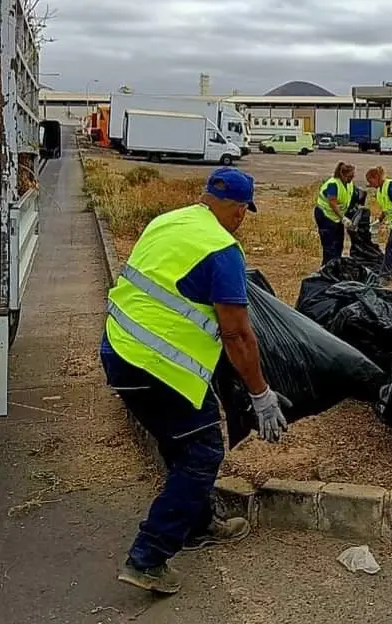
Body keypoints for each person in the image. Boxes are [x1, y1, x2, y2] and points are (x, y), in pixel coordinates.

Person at [100, 166, 291, 595]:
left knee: (181, 443)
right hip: (159, 367)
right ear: (239, 209)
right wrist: (261, 395)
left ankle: (200, 524)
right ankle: (148, 557)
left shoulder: (167, 221)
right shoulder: (222, 250)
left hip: (118, 349)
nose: (242, 219)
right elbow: (237, 332)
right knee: (204, 453)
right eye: (244, 210)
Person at [315, 161, 357, 266]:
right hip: (325, 216)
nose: (351, 178)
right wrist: (343, 218)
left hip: (337, 218)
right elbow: (332, 203)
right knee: (329, 246)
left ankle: (336, 266)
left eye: (353, 176)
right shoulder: (333, 184)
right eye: (350, 176)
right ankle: (327, 268)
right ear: (342, 174)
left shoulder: (349, 184)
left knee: (339, 243)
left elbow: (353, 197)